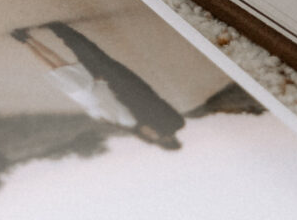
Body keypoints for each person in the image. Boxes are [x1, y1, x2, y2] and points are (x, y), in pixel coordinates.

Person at [10, 21, 188, 149]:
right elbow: (149, 104)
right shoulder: (170, 124)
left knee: (88, 58)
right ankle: (60, 30)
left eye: (160, 140)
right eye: (164, 139)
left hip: (119, 88)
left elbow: (120, 107)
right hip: (125, 85)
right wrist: (160, 132)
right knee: (93, 57)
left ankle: (60, 31)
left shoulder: (143, 125)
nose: (158, 136)